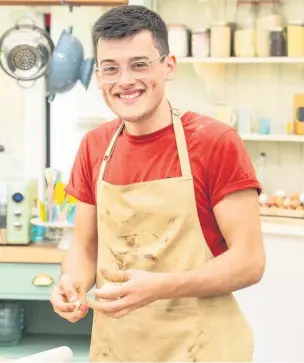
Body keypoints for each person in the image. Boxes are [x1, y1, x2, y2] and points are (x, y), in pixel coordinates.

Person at [50, 5, 266, 362]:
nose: (125, 81)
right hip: (117, 348)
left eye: (139, 64)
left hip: (201, 347)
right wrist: (72, 282)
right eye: (110, 69)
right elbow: (85, 249)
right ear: (99, 76)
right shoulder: (94, 146)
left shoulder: (215, 142)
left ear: (168, 66)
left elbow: (249, 261)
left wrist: (161, 286)